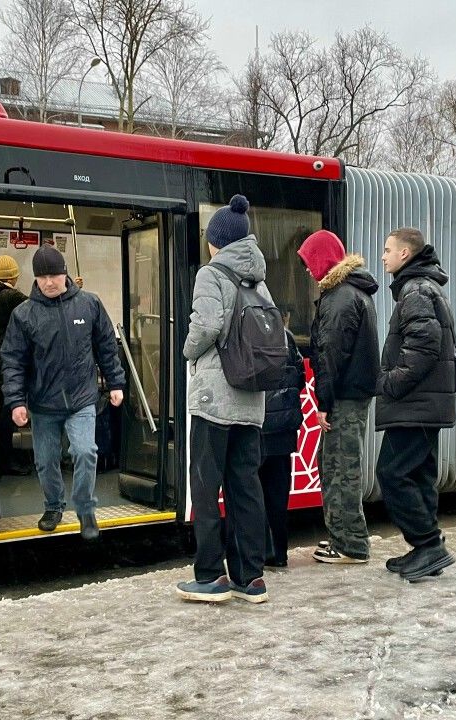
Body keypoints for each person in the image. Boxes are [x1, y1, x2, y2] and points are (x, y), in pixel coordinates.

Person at [175, 194, 272, 604]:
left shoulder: (211, 274)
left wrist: (187, 351)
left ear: (217, 241)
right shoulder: (259, 278)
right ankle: (250, 578)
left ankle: (211, 574)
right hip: (251, 401)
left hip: (215, 400)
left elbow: (207, 324)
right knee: (245, 487)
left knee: (205, 487)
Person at [0, 246, 125, 540]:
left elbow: (106, 346)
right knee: (45, 460)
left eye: (54, 275)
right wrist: (16, 401)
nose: (49, 282)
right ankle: (54, 506)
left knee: (85, 451)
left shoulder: (89, 305)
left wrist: (116, 382)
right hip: (43, 402)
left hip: (82, 398)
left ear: (65, 272)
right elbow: (13, 360)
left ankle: (84, 508)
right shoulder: (24, 315)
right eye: (42, 276)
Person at [374, 228, 456, 582]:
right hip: (425, 404)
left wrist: (390, 382)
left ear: (405, 254)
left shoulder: (416, 290)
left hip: (414, 404)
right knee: (420, 474)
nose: (383, 256)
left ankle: (427, 544)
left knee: (391, 473)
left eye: (388, 250)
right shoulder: (424, 287)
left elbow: (423, 346)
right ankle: (427, 548)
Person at [296, 229, 380, 564]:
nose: (306, 269)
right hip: (352, 395)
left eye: (308, 260)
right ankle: (344, 538)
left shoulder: (339, 298)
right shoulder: (354, 293)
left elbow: (329, 357)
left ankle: (350, 544)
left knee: (340, 468)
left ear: (322, 259)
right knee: (337, 464)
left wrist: (324, 405)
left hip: (343, 398)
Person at [258, 329, 305, 568]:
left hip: (256, 426)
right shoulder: (285, 335)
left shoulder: (244, 331)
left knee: (254, 491)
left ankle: (260, 552)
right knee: (277, 493)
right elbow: (300, 377)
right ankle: (279, 554)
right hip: (284, 426)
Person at [0, 255, 30, 477]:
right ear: (13, 275)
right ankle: (5, 462)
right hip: (6, 363)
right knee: (7, 416)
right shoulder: (10, 296)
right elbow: (39, 307)